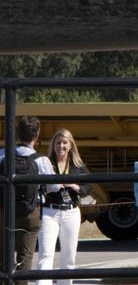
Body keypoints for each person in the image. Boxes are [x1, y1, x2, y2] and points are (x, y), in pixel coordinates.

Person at [35, 128, 91, 285]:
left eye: (64, 142)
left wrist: (75, 186)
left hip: (71, 212)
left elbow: (88, 187)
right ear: (53, 145)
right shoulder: (47, 163)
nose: (61, 146)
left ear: (71, 145)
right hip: (49, 212)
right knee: (46, 254)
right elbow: (37, 185)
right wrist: (49, 186)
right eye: (58, 142)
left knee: (69, 256)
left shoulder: (78, 165)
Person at [1, 116, 43, 271]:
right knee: (25, 256)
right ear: (37, 135)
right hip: (30, 212)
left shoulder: (2, 155)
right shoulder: (41, 160)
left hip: (5, 211)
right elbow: (55, 187)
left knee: (3, 257)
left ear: (17, 133)